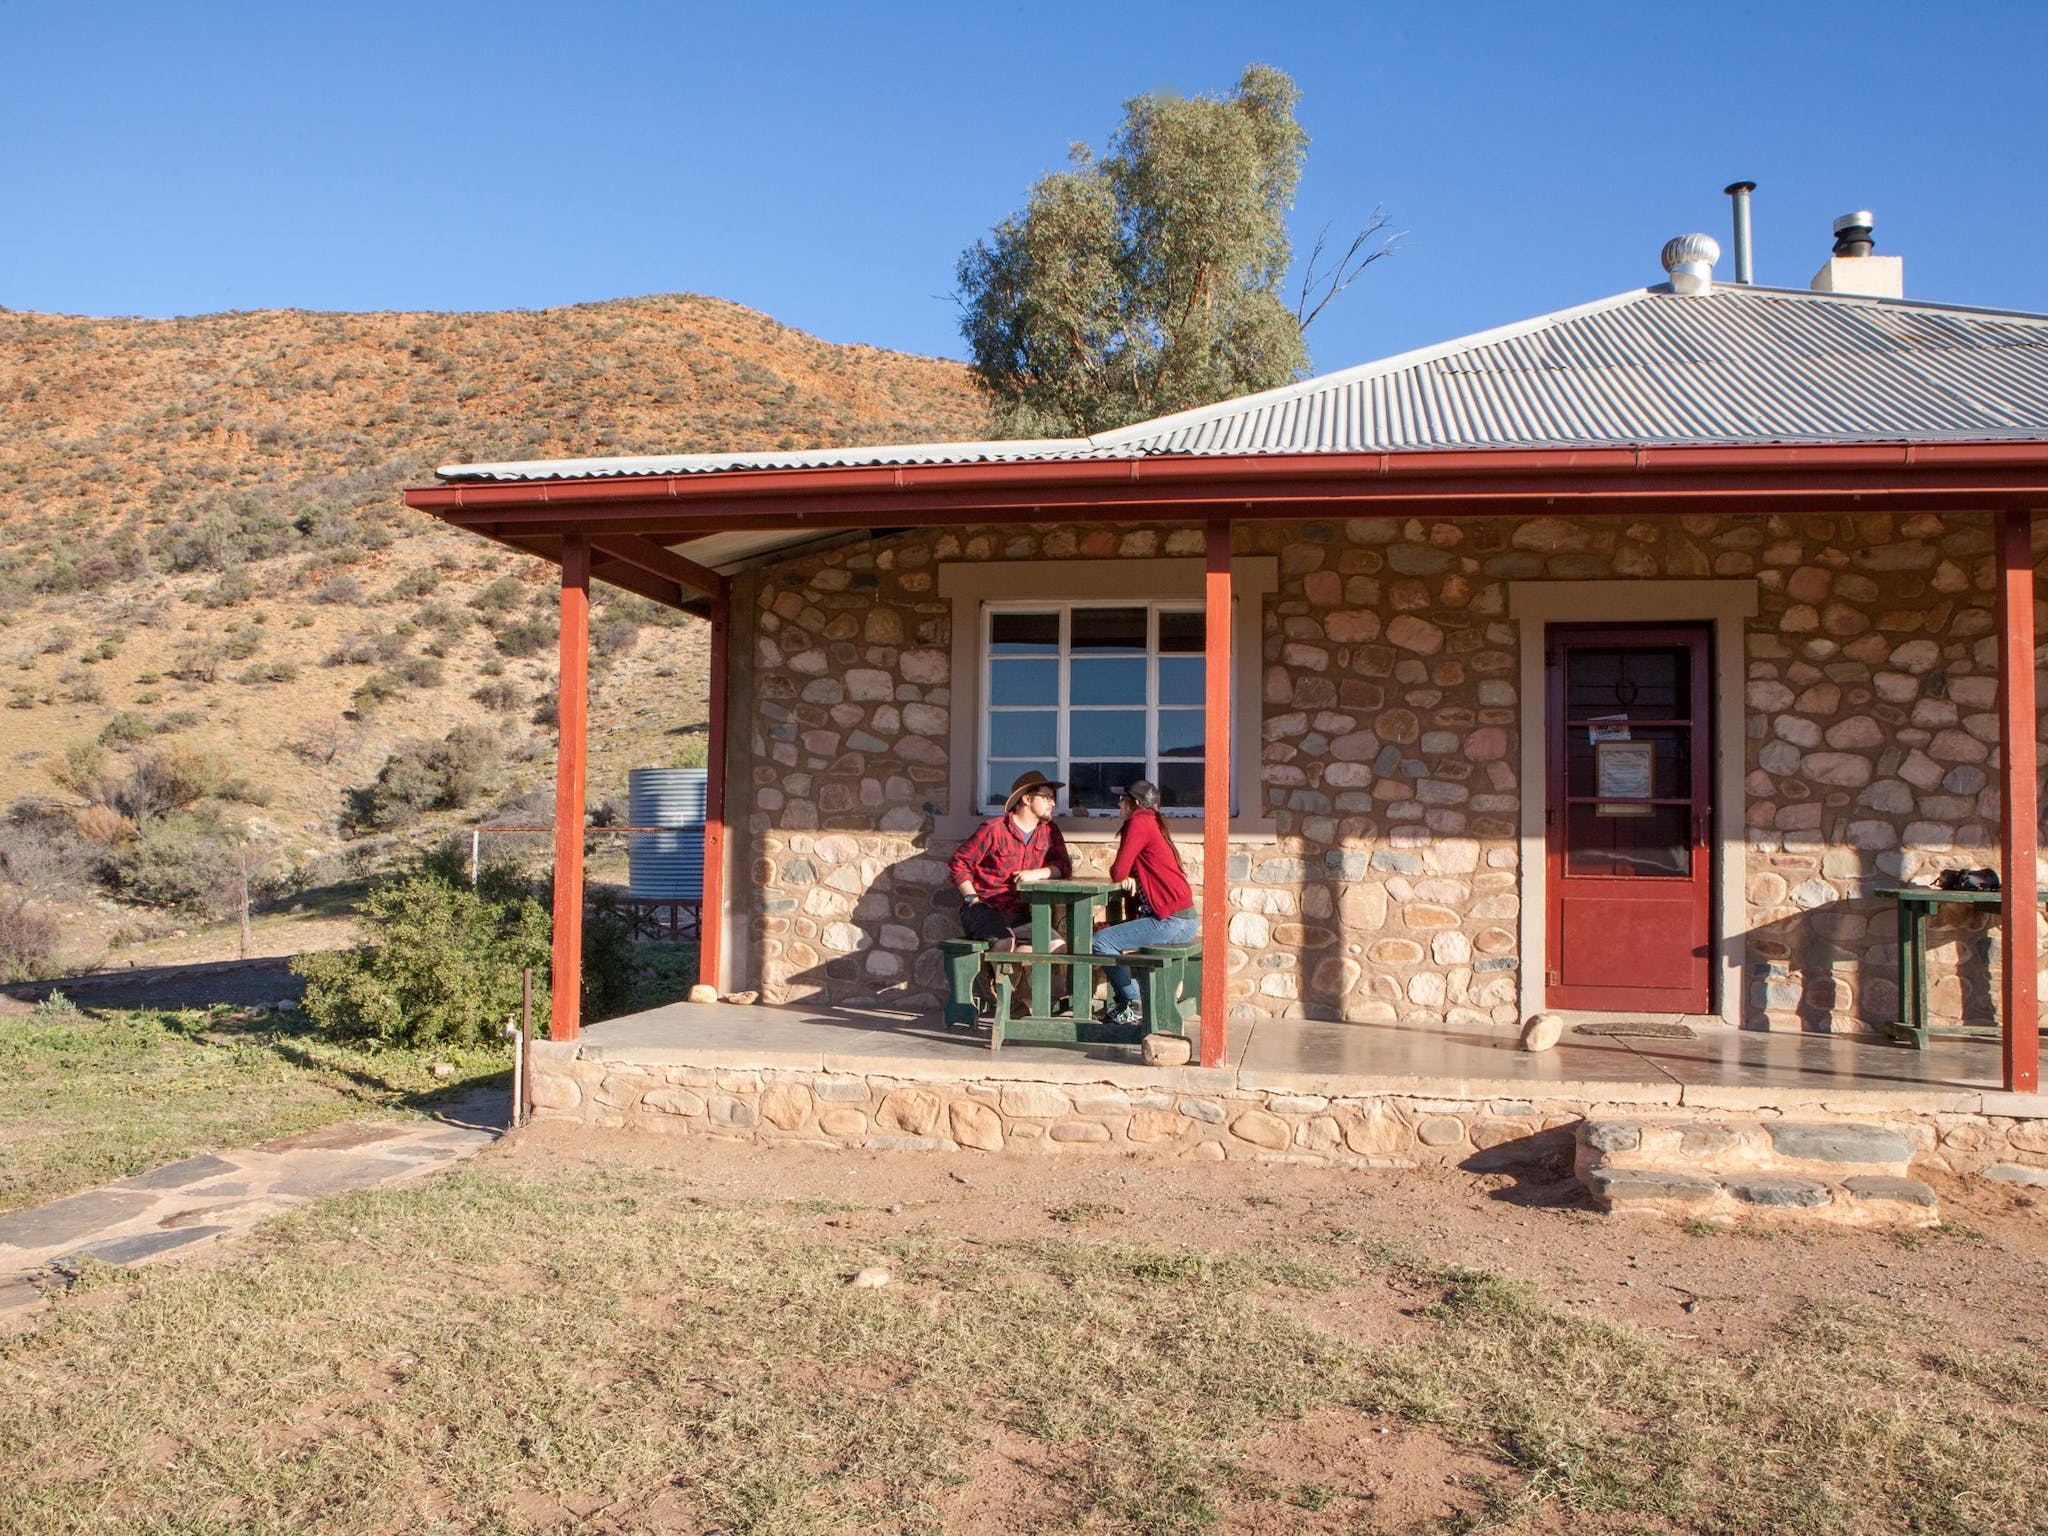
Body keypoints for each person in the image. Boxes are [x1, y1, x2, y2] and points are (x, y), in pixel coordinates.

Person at [949, 770, 1073, 1009]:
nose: (1053, 802)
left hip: (1021, 913)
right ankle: (1005, 998)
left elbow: (1063, 867)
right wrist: (971, 898)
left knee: (1057, 945)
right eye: (1047, 797)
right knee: (1005, 941)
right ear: (1027, 799)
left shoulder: (1050, 831)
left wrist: (1036, 873)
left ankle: (990, 968)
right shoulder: (994, 829)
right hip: (986, 908)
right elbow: (959, 863)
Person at [1090, 780, 1197, 1028]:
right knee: (1104, 933)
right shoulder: (1152, 822)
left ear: (1135, 804)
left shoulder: (1139, 822)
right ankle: (1131, 1003)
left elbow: (1118, 872)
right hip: (1181, 919)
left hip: (1172, 922)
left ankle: (1136, 1004)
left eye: (1122, 799)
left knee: (1101, 941)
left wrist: (1126, 875)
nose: (1118, 804)